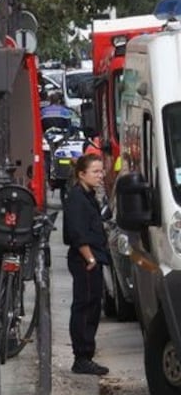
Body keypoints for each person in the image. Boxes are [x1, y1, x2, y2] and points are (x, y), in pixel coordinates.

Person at [62, 153, 111, 376]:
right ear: (82, 174)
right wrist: (89, 258)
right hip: (85, 260)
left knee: (92, 306)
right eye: (95, 172)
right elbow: (76, 232)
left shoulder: (88, 195)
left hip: (94, 257)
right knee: (84, 306)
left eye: (101, 171)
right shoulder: (76, 198)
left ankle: (85, 355)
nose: (100, 176)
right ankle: (82, 356)